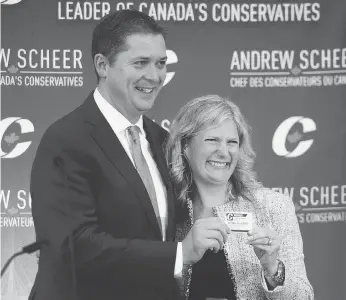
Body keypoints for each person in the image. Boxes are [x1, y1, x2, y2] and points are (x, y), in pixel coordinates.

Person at [29, 11, 229, 300]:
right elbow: (72, 246)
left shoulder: (163, 141)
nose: (155, 76)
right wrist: (179, 253)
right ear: (102, 65)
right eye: (140, 63)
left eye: (161, 63)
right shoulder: (65, 140)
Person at [165, 95, 314, 300]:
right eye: (212, 140)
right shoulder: (164, 209)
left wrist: (273, 270)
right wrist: (181, 258)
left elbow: (304, 298)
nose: (224, 152)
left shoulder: (274, 206)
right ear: (185, 146)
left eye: (232, 142)